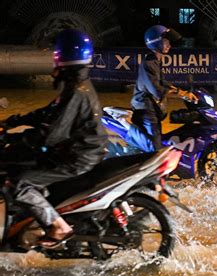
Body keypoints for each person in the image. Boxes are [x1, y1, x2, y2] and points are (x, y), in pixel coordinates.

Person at [4, 29, 107, 247]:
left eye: (55, 55)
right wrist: (12, 122)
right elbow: (48, 113)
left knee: (20, 182)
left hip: (78, 157)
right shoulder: (75, 86)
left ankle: (58, 227)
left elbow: (52, 134)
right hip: (79, 151)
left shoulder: (76, 91)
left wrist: (18, 141)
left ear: (62, 57)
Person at [127, 25, 197, 152]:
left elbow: (163, 82)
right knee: (155, 150)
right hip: (145, 110)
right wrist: (181, 94)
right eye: (166, 41)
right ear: (156, 42)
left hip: (152, 108)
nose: (169, 45)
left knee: (159, 142)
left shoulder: (155, 61)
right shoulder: (149, 63)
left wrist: (182, 91)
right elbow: (157, 91)